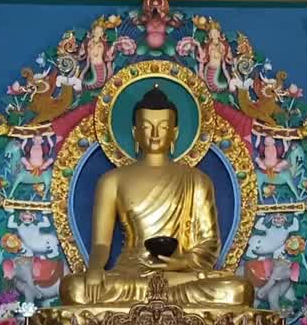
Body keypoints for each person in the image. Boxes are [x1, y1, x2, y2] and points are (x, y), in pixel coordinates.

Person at [59, 85, 253, 306]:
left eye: (162, 127)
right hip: (130, 278)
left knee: (238, 290)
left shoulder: (197, 181)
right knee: (74, 288)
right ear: (135, 132)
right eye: (146, 126)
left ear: (175, 133)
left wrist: (180, 262)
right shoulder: (112, 180)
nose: (154, 134)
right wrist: (94, 269)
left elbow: (208, 244)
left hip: (179, 278)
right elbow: (101, 245)